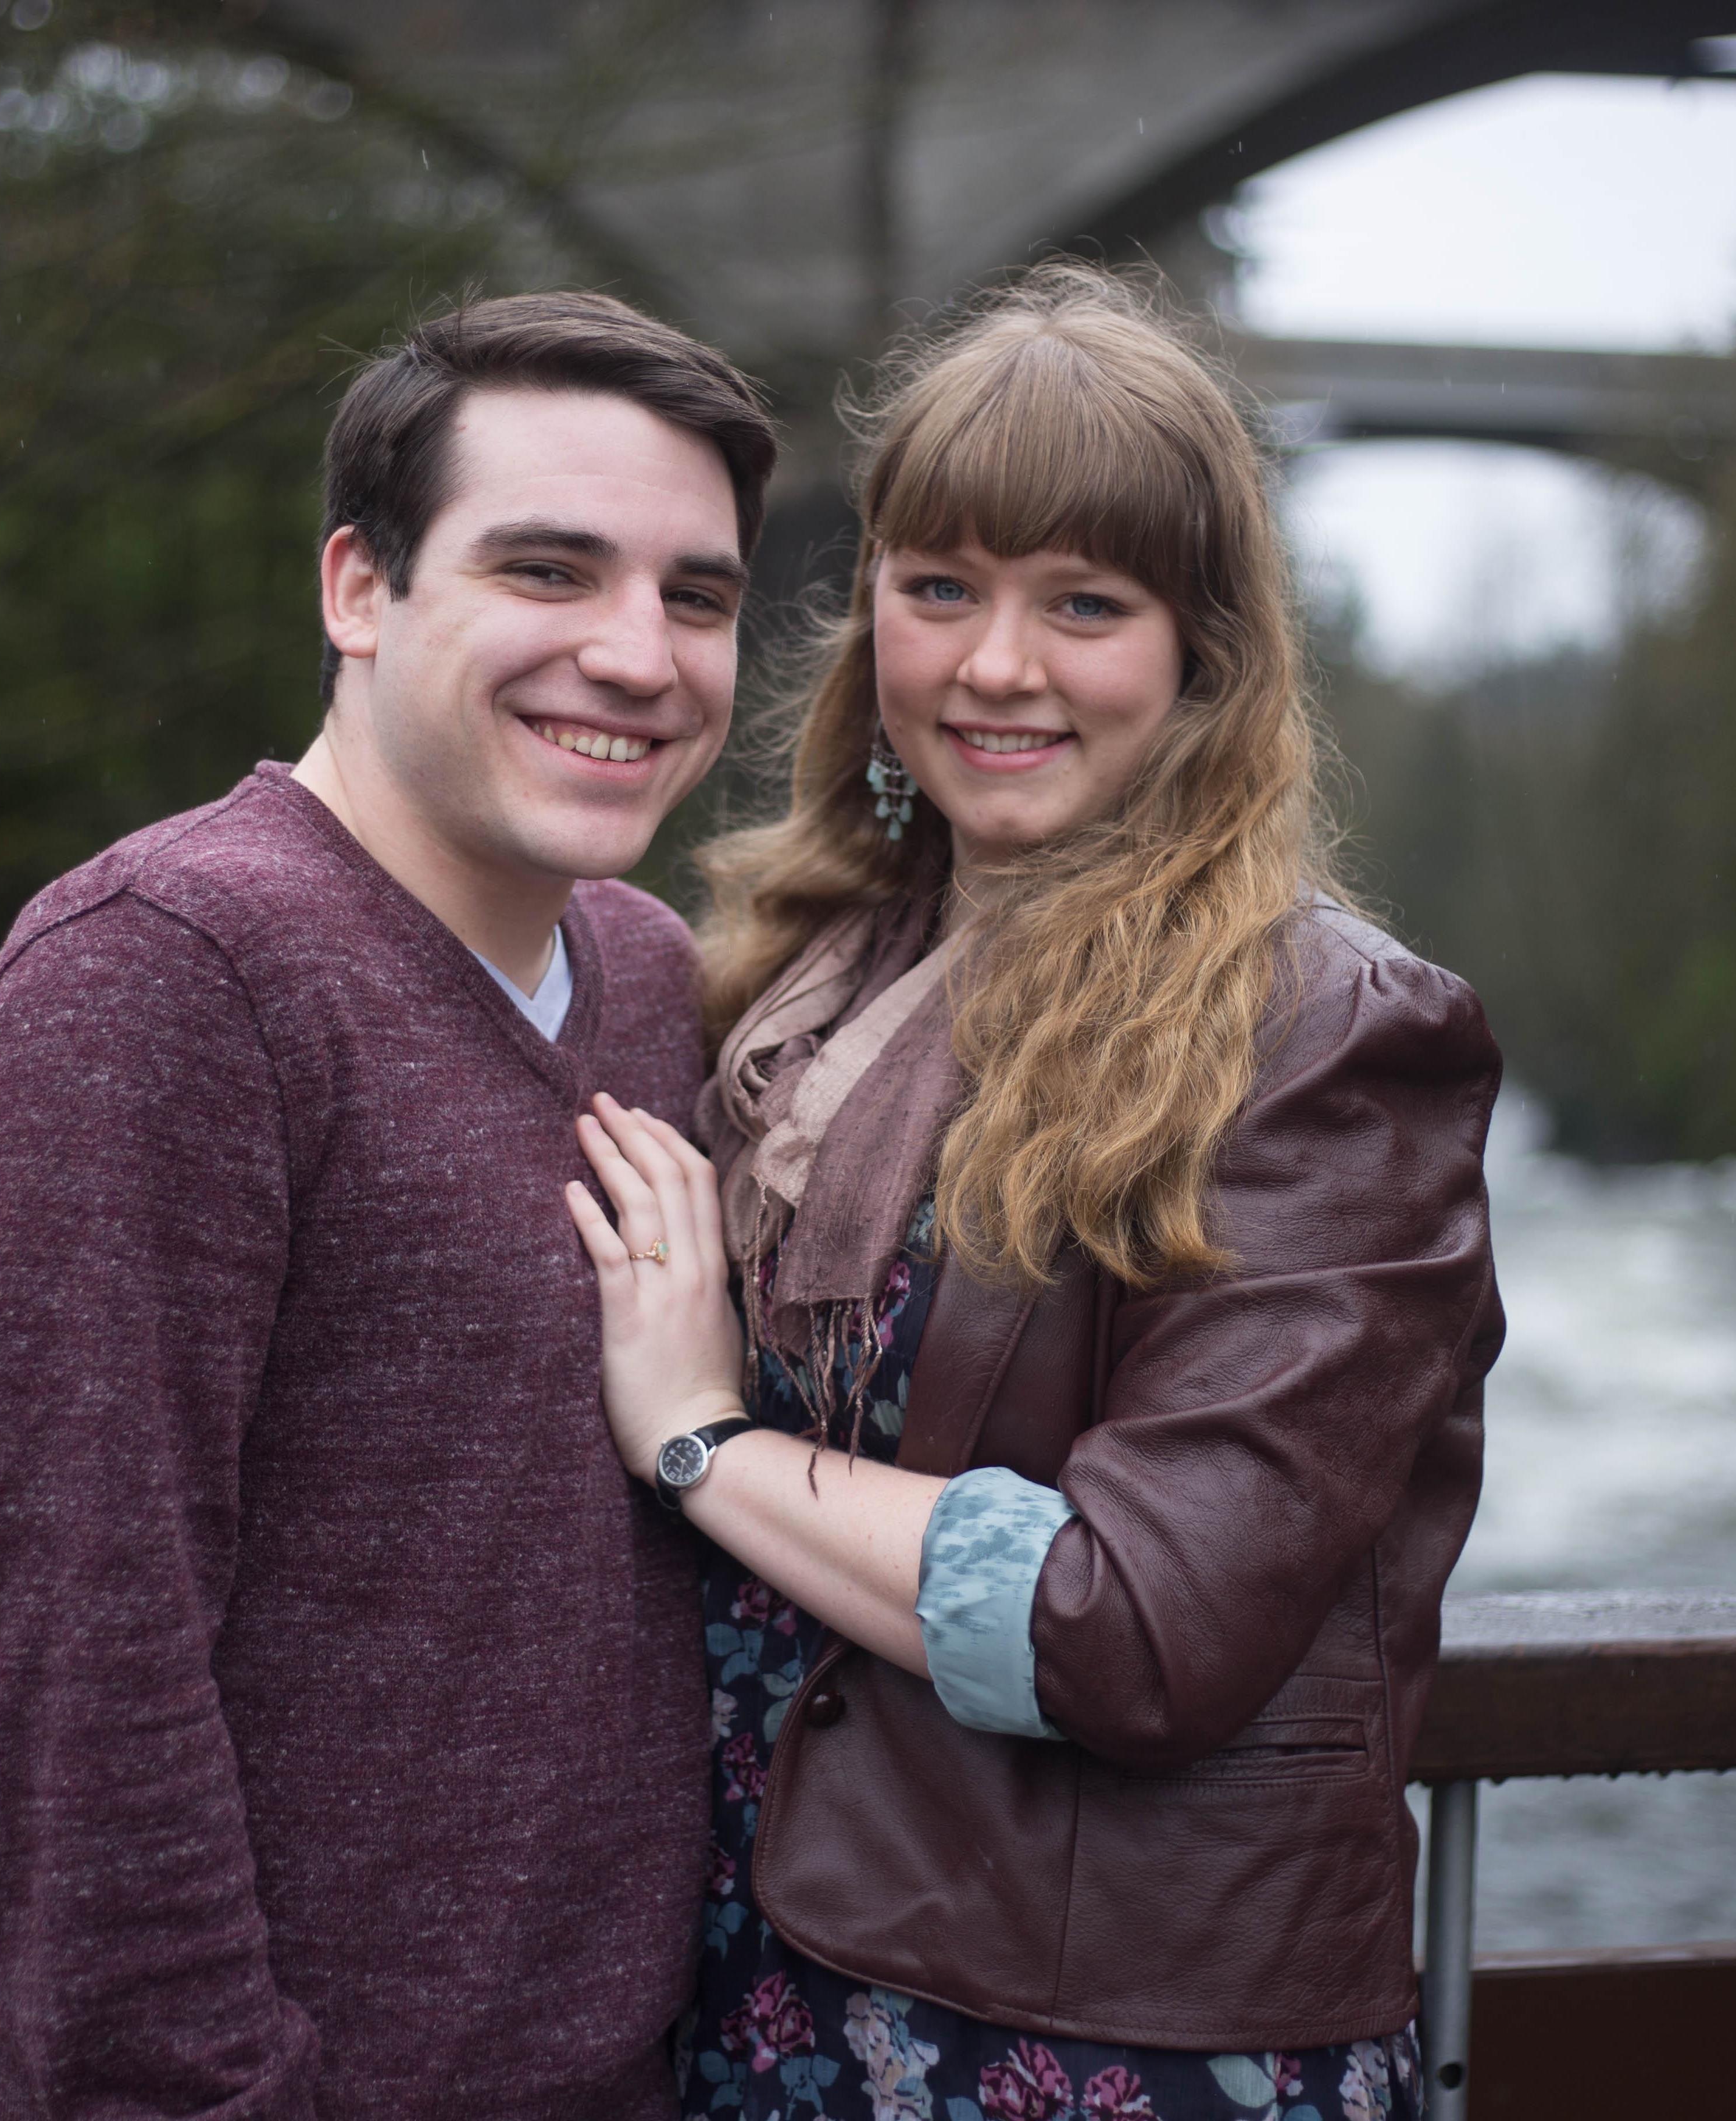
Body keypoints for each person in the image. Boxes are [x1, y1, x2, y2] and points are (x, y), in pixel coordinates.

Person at [565, 265, 1504, 2120]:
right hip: (771, 1963)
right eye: (943, 589)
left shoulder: (1325, 1033)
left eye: (1084, 603)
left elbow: (1136, 1623)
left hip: (1092, 2040)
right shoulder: (794, 978)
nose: (997, 666)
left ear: (1200, 658)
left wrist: (699, 1438)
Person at [0, 291, 776, 2119]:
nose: (638, 656)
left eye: (693, 596)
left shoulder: (649, 978)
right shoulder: (162, 975)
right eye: (549, 571)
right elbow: (80, 1667)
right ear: (361, 591)